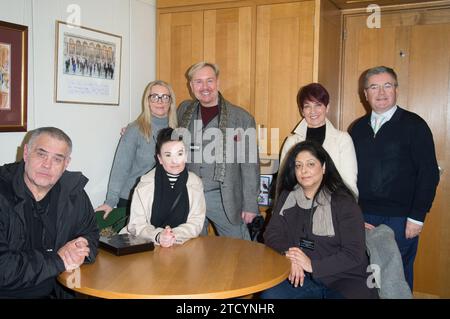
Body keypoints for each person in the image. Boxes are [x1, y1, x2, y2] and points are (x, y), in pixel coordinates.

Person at [350, 66, 440, 290]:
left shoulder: (415, 125)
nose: (381, 92)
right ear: (365, 94)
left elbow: (428, 174)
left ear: (396, 90)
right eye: (374, 87)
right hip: (365, 216)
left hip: (401, 220)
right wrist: (353, 214)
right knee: (368, 274)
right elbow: (348, 175)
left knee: (397, 278)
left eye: (387, 85)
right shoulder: (357, 129)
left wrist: (417, 217)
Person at [261, 141, 377, 299]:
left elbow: (354, 254)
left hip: (344, 279)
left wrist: (312, 265)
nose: (304, 170)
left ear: (323, 168)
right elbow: (272, 234)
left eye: (310, 164)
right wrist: (291, 256)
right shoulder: (287, 197)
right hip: (303, 277)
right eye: (298, 165)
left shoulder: (343, 201)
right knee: (271, 296)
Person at [0, 127, 99, 298]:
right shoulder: (3, 193)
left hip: (60, 291)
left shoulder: (73, 193)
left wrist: (81, 247)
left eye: (57, 159)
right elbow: (3, 268)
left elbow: (91, 234)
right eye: (41, 154)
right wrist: (59, 260)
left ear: (66, 164)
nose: (47, 165)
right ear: (26, 153)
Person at [177, 62, 260, 240]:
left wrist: (251, 205)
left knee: (239, 253)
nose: (205, 87)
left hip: (225, 198)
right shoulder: (183, 111)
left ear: (218, 83)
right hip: (190, 196)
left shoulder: (242, 118)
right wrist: (135, 128)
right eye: (198, 82)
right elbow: (163, 132)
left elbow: (250, 165)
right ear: (191, 86)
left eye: (209, 81)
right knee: (192, 254)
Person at [96, 80, 178, 218]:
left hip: (164, 200)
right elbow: (120, 168)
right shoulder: (135, 130)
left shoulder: (178, 132)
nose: (160, 101)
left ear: (171, 101)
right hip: (133, 198)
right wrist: (110, 201)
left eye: (165, 97)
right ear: (147, 101)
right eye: (154, 96)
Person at [122, 127, 206, 247]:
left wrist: (172, 235)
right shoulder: (145, 183)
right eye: (168, 155)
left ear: (186, 156)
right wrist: (158, 236)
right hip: (148, 245)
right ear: (160, 159)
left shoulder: (195, 183)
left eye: (180, 154)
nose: (175, 161)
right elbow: (136, 224)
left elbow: (196, 222)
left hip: (182, 244)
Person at [280, 83, 358, 197]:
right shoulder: (291, 142)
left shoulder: (343, 140)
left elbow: (350, 184)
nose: (313, 111)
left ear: (327, 107)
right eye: (307, 106)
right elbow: (285, 182)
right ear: (302, 111)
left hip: (333, 206)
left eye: (318, 105)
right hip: (299, 206)